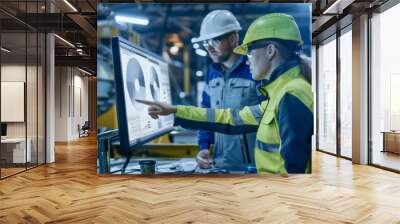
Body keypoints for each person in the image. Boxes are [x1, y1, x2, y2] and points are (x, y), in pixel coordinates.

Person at [138, 13, 313, 174]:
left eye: (251, 51)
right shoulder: (277, 94)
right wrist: (175, 111)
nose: (249, 59)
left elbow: (295, 173)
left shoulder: (292, 94)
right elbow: (230, 118)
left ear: (270, 51)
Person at [191, 10, 263, 171]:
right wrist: (204, 147)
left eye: (215, 40)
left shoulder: (256, 72)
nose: (209, 47)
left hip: (251, 169)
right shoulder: (212, 74)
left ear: (233, 39)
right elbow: (206, 115)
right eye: (206, 42)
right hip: (218, 166)